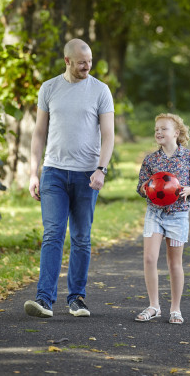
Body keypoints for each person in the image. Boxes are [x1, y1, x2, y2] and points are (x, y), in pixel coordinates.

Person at [24, 38, 114, 319]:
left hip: (88, 175)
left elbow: (109, 134)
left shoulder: (100, 90)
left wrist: (101, 169)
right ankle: (44, 300)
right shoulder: (49, 88)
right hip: (54, 172)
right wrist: (33, 171)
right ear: (67, 61)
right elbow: (39, 133)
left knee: (81, 238)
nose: (87, 66)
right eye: (81, 63)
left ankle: (76, 299)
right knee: (52, 235)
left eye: (89, 62)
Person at [135, 113, 190, 324]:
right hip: (154, 214)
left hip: (178, 216)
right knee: (149, 258)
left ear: (176, 133)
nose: (158, 132)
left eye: (163, 128)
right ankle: (154, 306)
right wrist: (147, 188)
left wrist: (187, 190)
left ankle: (175, 308)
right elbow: (140, 187)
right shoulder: (151, 160)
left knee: (174, 263)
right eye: (156, 129)